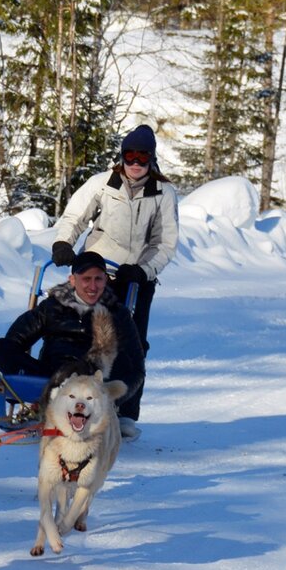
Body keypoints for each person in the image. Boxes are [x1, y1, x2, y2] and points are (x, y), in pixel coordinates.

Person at [49, 124, 179, 423]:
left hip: (135, 277)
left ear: (151, 158)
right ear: (121, 157)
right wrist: (62, 242)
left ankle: (125, 414)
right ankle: (66, 401)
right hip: (96, 272)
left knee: (133, 345)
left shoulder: (163, 193)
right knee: (78, 335)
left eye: (142, 157)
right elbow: (75, 216)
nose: (135, 163)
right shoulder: (103, 183)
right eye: (129, 156)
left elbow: (166, 242)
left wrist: (144, 270)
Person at [0, 250, 145, 439]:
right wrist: (20, 372)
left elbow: (136, 368)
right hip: (52, 377)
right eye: (86, 279)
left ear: (106, 280)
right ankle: (43, 402)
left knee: (124, 360)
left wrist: (113, 398)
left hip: (91, 383)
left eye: (98, 279)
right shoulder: (52, 307)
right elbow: (14, 341)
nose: (93, 286)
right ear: (72, 280)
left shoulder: (117, 314)